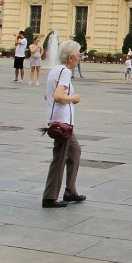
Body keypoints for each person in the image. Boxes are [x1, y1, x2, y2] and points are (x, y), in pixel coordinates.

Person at [43, 40, 87, 207]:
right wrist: (73, 98)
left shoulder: (55, 69)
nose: (79, 58)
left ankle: (70, 191)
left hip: (62, 121)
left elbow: (47, 95)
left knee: (75, 151)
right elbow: (57, 96)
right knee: (59, 158)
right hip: (62, 123)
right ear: (70, 57)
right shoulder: (65, 72)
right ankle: (49, 197)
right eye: (78, 55)